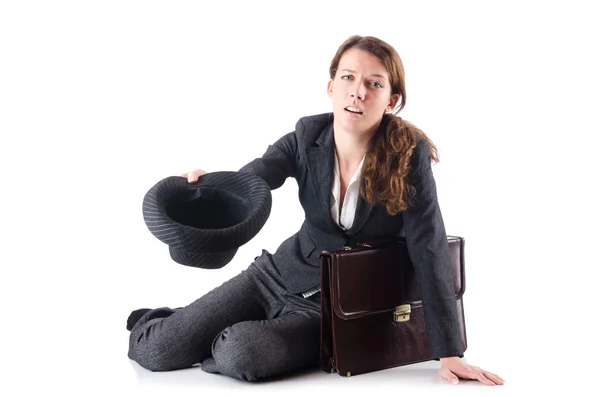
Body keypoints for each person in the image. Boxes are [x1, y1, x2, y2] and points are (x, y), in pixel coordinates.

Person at [126, 35, 504, 386]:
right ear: (331, 87)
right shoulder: (305, 138)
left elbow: (430, 245)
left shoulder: (408, 155)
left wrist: (449, 350)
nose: (358, 91)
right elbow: (255, 182)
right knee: (154, 351)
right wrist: (208, 188)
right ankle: (177, 320)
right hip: (277, 275)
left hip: (335, 308)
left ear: (391, 100)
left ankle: (221, 334)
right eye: (348, 77)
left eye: (374, 83)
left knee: (241, 350)